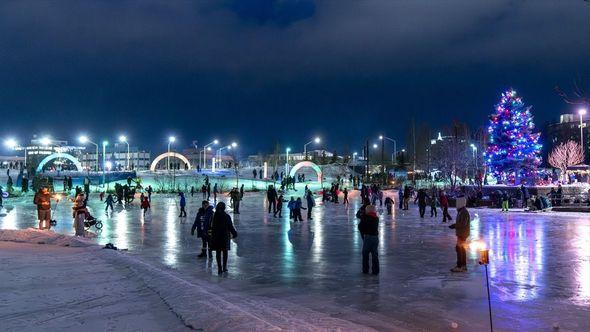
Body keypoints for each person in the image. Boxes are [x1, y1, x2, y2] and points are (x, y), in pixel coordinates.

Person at [209, 202, 238, 275]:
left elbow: (212, 226)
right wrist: (234, 233)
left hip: (216, 237)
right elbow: (230, 226)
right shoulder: (226, 216)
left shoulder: (215, 216)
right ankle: (224, 267)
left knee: (218, 252)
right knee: (225, 252)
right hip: (224, 236)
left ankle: (219, 268)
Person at [449, 197, 470, 272]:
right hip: (461, 233)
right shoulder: (461, 211)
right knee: (460, 249)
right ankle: (462, 265)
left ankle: (460, 266)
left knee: (460, 249)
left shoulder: (464, 212)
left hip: (463, 234)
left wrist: (455, 225)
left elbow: (463, 223)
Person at [358, 204, 379, 275]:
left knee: (365, 254)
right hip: (375, 238)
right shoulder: (376, 218)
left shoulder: (366, 218)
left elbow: (360, 226)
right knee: (375, 254)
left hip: (368, 237)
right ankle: (375, 270)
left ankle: (365, 269)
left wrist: (363, 233)